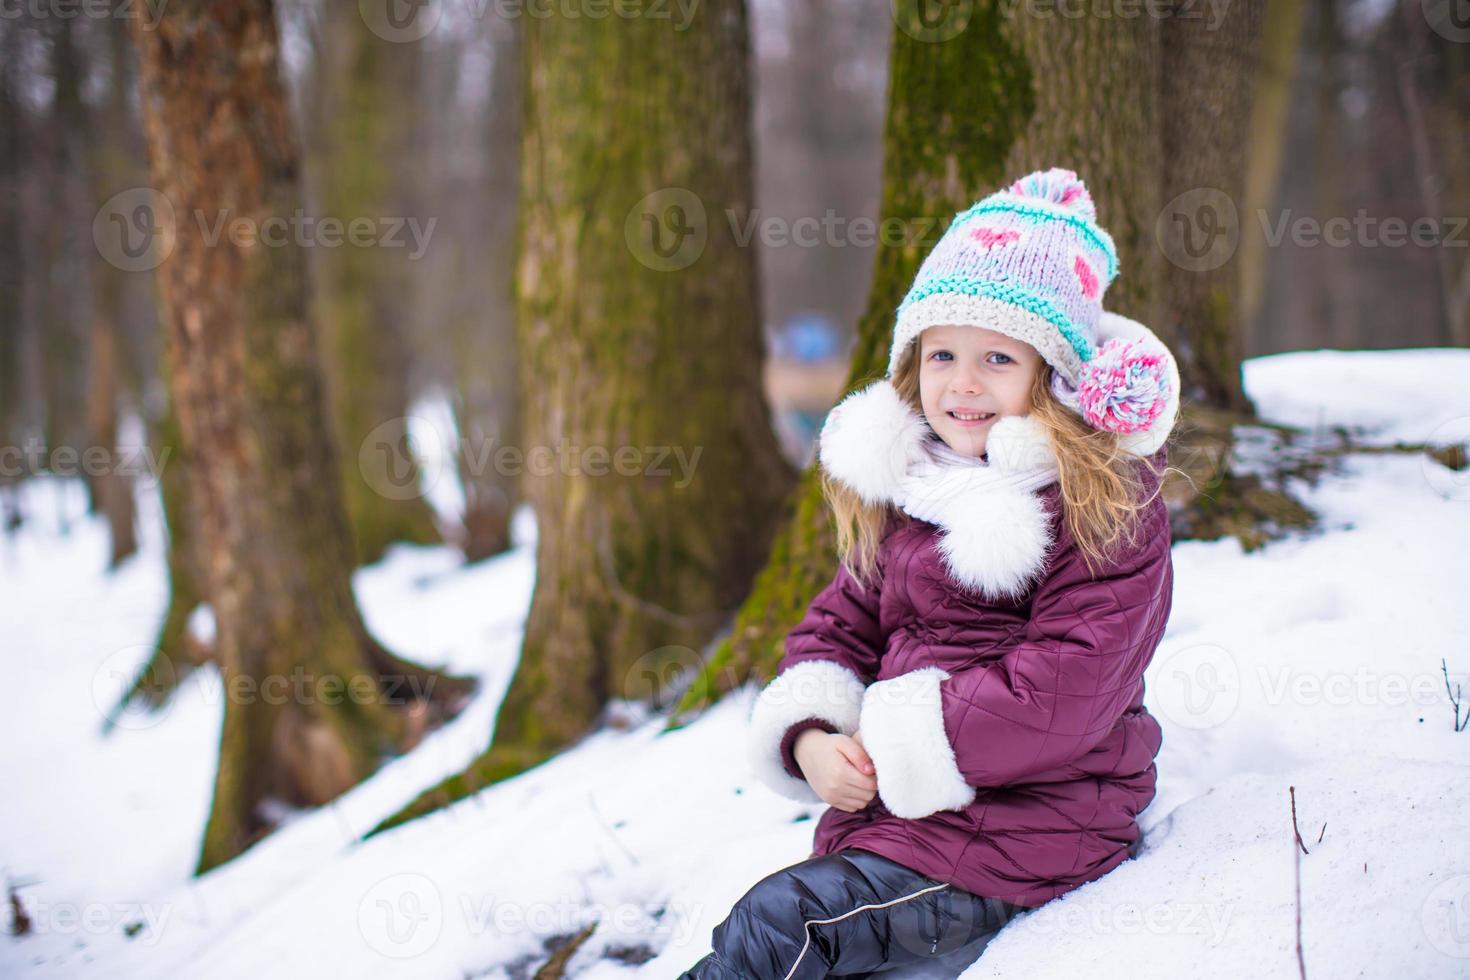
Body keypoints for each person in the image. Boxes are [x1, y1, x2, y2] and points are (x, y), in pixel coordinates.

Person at [679, 167, 1180, 979]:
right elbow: (838, 624)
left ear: (1053, 379)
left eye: (997, 358)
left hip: (1037, 826)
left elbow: (1069, 686)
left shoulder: (1102, 503)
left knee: (780, 929)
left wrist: (893, 735)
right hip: (910, 825)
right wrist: (810, 735)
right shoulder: (917, 486)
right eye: (942, 352)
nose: (963, 382)